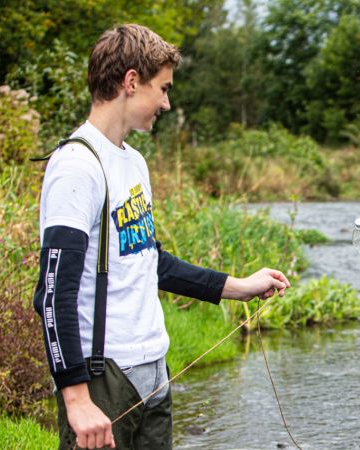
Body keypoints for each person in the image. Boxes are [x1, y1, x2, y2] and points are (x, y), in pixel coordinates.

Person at [32, 24, 291, 450]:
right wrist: (77, 399)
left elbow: (150, 261)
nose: (167, 103)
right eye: (164, 88)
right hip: (105, 380)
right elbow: (54, 291)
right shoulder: (77, 165)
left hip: (154, 374)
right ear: (131, 82)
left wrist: (240, 287)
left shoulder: (134, 163)